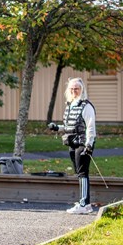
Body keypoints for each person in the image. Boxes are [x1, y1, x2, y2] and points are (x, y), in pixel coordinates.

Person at [48, 77, 96, 215]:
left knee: (82, 172)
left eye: (77, 89)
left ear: (82, 90)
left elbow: (90, 127)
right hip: (72, 143)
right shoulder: (70, 105)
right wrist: (57, 128)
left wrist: (89, 144)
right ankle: (85, 204)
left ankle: (84, 203)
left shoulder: (86, 106)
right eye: (72, 89)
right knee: (79, 173)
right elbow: (70, 126)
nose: (74, 91)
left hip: (82, 143)